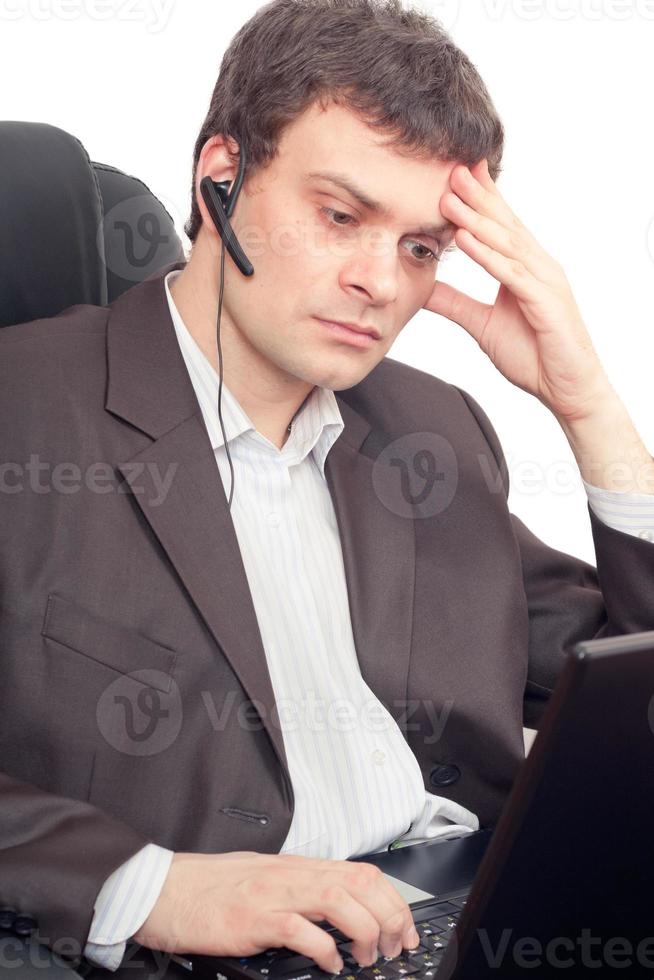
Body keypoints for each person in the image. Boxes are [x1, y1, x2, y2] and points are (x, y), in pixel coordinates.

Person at [2, 0, 654, 976]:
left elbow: (620, 693)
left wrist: (590, 406)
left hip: (471, 918)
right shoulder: (26, 409)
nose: (379, 281)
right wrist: (155, 883)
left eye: (421, 246)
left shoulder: (433, 429)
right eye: (342, 217)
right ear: (221, 174)